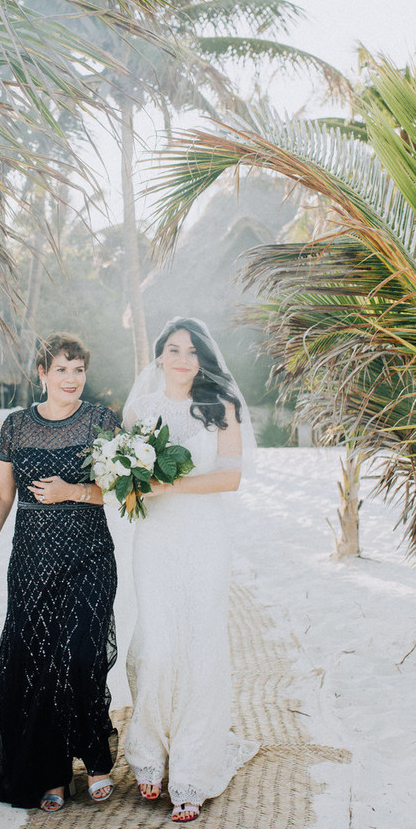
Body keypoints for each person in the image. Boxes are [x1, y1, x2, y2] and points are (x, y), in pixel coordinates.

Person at [0, 332, 119, 811]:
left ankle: (96, 762)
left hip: (89, 557)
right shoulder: (16, 426)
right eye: (61, 370)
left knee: (81, 657)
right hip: (32, 563)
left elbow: (123, 491)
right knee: (37, 664)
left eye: (78, 370)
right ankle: (51, 772)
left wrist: (71, 492)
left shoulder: (100, 421)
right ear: (42, 374)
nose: (72, 379)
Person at [122, 317, 259, 823]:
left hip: (204, 537)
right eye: (173, 349)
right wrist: (131, 484)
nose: (182, 359)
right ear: (159, 356)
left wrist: (164, 488)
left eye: (192, 351)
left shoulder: (219, 408)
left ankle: (193, 770)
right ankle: (149, 756)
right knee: (156, 647)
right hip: (154, 539)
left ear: (203, 359)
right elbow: (126, 475)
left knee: (199, 645)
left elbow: (230, 478)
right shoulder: (139, 409)